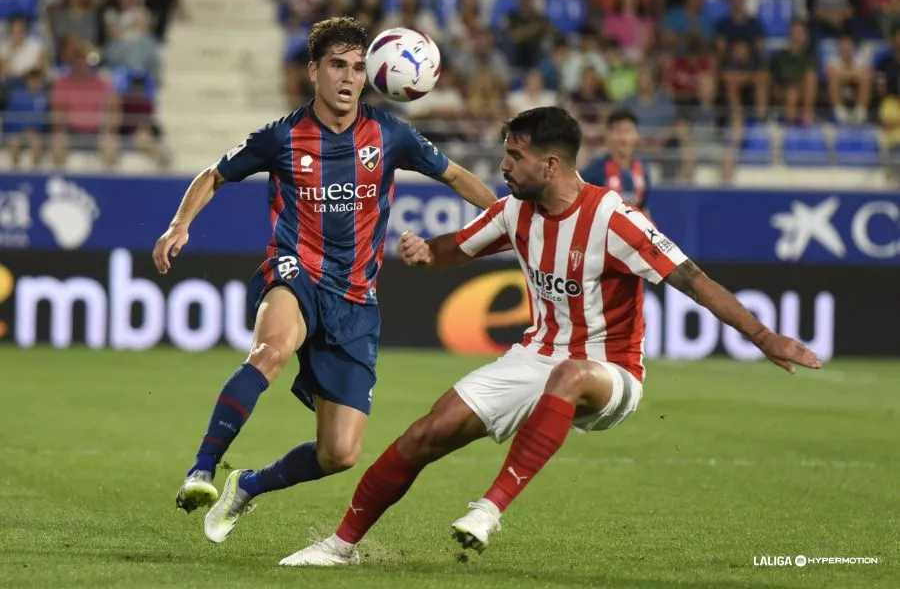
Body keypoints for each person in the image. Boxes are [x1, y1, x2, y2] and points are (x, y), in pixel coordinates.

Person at [277, 106, 822, 566]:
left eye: (514, 157)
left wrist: (763, 336)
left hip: (611, 371)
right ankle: (339, 545)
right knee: (426, 433)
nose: (503, 167)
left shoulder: (615, 219)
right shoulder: (516, 210)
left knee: (571, 373)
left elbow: (694, 282)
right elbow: (453, 250)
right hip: (535, 354)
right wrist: (424, 252)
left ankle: (487, 510)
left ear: (551, 163)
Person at [151, 16, 497, 543]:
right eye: (338, 65)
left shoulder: (390, 135)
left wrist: (508, 219)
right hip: (295, 269)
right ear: (313, 69)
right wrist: (180, 224)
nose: (349, 78)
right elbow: (213, 175)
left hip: (356, 298)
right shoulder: (281, 137)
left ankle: (246, 485)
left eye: (359, 68)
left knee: (340, 453)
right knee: (271, 351)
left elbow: (454, 175)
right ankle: (202, 467)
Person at [580, 109, 651, 214]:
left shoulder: (643, 170)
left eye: (628, 131)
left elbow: (643, 208)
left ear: (637, 136)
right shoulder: (592, 173)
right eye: (618, 131)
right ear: (607, 135)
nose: (624, 138)